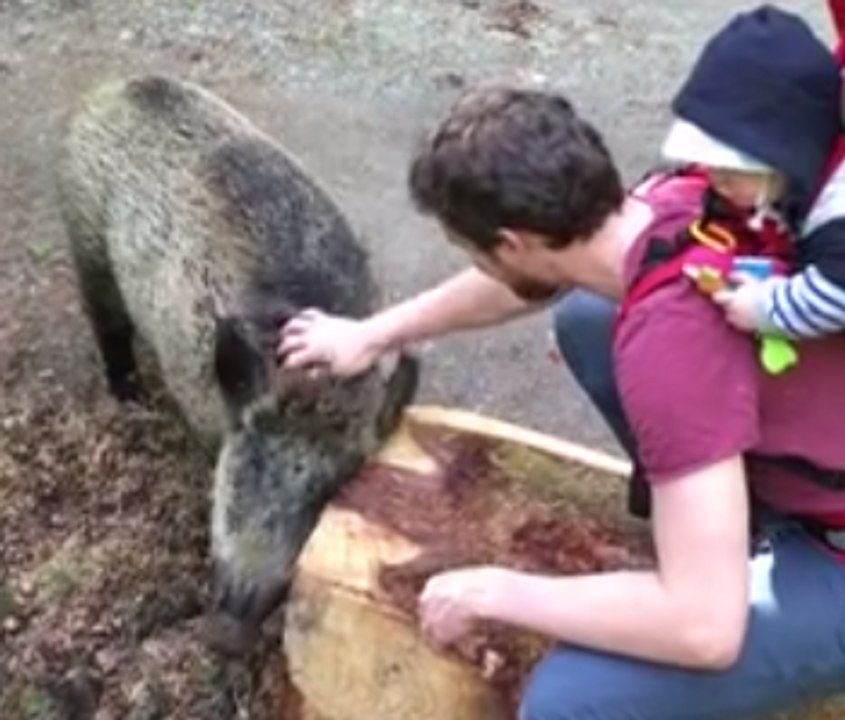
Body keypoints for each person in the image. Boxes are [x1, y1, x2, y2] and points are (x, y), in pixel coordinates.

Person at [277, 27, 845, 720]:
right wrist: (374, 334)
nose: (482, 266)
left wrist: (495, 592)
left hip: (830, 554)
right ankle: (736, 520)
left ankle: (766, 565)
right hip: (816, 450)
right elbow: (523, 281)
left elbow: (704, 632)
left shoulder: (667, 349)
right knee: (586, 317)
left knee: (566, 703)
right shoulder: (685, 196)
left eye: (476, 251)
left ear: (512, 242)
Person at [658, 4, 845, 341]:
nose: (717, 181)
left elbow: (836, 295)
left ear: (786, 159)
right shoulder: (806, 164)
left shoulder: (837, 215)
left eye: (731, 172)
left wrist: (768, 307)